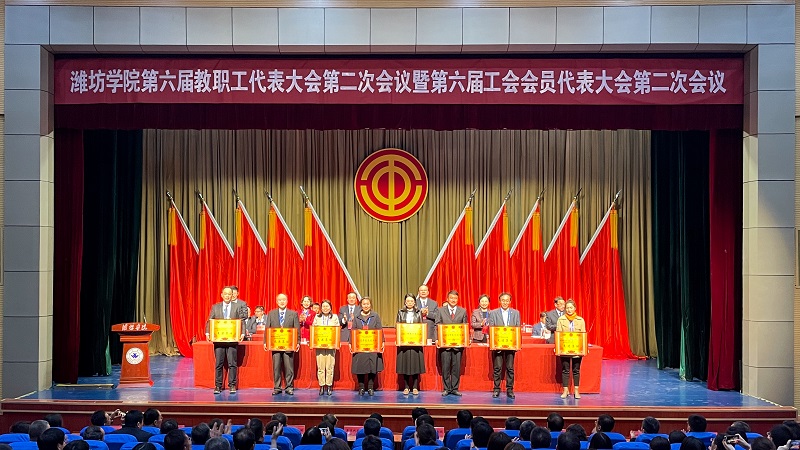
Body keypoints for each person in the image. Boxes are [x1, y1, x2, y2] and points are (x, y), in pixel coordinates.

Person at [205, 286, 247, 394]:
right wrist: (207, 333)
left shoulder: (237, 307)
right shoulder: (215, 307)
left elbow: (241, 321)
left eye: (229, 294)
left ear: (232, 295)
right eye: (225, 294)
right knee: (219, 364)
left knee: (232, 363)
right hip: (219, 340)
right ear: (222, 295)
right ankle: (218, 386)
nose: (227, 296)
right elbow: (210, 320)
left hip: (232, 339)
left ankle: (232, 385)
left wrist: (242, 333)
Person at [265, 293, 301, 395]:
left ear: (287, 301)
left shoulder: (293, 314)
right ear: (277, 302)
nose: (282, 302)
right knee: (276, 367)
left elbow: (297, 329)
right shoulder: (271, 313)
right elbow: (267, 328)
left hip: (289, 345)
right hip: (275, 344)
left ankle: (289, 387)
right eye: (280, 300)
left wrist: (297, 342)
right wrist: (265, 342)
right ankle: (277, 387)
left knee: (289, 367)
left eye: (284, 300)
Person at [436, 290, 468, 396]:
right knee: (445, 367)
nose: (453, 300)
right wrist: (437, 339)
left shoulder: (463, 311)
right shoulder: (440, 310)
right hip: (445, 344)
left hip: (458, 345)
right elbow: (437, 325)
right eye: (451, 298)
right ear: (447, 299)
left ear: (457, 300)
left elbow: (465, 327)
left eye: (455, 298)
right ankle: (446, 388)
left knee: (456, 367)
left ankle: (454, 388)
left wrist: (466, 339)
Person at [350, 297, 384, 396]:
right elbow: (353, 331)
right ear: (361, 305)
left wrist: (382, 342)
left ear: (370, 305)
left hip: (373, 345)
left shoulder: (375, 316)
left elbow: (380, 329)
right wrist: (351, 343)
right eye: (364, 304)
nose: (366, 306)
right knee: (360, 366)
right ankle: (361, 387)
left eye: (368, 304)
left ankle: (370, 387)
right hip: (360, 346)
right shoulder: (357, 317)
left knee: (372, 366)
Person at [488, 292, 520, 398]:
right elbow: (491, 328)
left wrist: (516, 344)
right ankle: (496, 389)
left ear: (510, 301)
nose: (505, 302)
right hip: (498, 345)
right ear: (499, 301)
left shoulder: (516, 313)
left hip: (511, 345)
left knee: (510, 368)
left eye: (507, 300)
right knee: (497, 368)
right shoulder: (493, 313)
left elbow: (517, 328)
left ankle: (510, 389)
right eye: (503, 300)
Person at [557, 299, 586, 399]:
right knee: (565, 370)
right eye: (567, 308)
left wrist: (583, 348)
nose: (569, 310)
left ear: (575, 308)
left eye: (571, 308)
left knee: (576, 370)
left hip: (577, 349)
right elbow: (558, 334)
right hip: (565, 348)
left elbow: (583, 335)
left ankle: (576, 391)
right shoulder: (561, 319)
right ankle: (565, 390)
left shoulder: (580, 320)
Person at [396, 293, 425, 395]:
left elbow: (421, 326)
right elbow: (398, 326)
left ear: (414, 302)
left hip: (416, 343)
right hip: (404, 343)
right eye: (408, 301)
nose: (409, 303)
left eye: (411, 301)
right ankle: (406, 387)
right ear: (405, 302)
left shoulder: (418, 312)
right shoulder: (400, 312)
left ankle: (415, 387)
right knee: (405, 365)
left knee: (416, 365)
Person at [312, 300, 338, 396]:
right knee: (321, 366)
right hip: (320, 345)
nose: (325, 308)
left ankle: (329, 385)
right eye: (323, 306)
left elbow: (337, 330)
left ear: (330, 307)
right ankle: (322, 386)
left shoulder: (334, 317)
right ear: (321, 308)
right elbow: (314, 330)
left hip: (331, 346)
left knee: (330, 366)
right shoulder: (317, 317)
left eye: (327, 306)